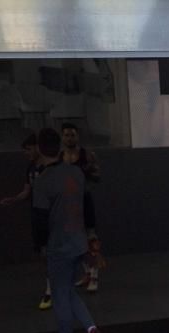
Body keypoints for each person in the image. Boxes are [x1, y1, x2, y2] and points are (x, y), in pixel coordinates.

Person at [33, 127, 104, 333]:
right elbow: (88, 205)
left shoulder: (43, 181)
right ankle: (92, 329)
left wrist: (40, 247)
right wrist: (91, 237)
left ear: (40, 150)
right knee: (69, 290)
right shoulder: (76, 173)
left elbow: (40, 220)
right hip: (78, 243)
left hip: (58, 247)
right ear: (60, 147)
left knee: (60, 296)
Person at [0, 134, 51, 309]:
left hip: (52, 215)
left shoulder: (50, 167)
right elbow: (26, 191)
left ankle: (54, 288)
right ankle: (51, 287)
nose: (26, 153)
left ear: (37, 147)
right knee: (44, 253)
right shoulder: (30, 167)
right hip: (37, 215)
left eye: (28, 149)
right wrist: (13, 199)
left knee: (55, 252)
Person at [60, 122, 105, 292]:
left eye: (72, 134)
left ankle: (94, 276)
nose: (69, 138)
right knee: (74, 241)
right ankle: (86, 274)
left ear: (77, 136)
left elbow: (98, 177)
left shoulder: (87, 155)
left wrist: (88, 172)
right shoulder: (60, 157)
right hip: (68, 203)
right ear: (62, 137)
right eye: (66, 135)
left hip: (84, 200)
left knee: (91, 238)